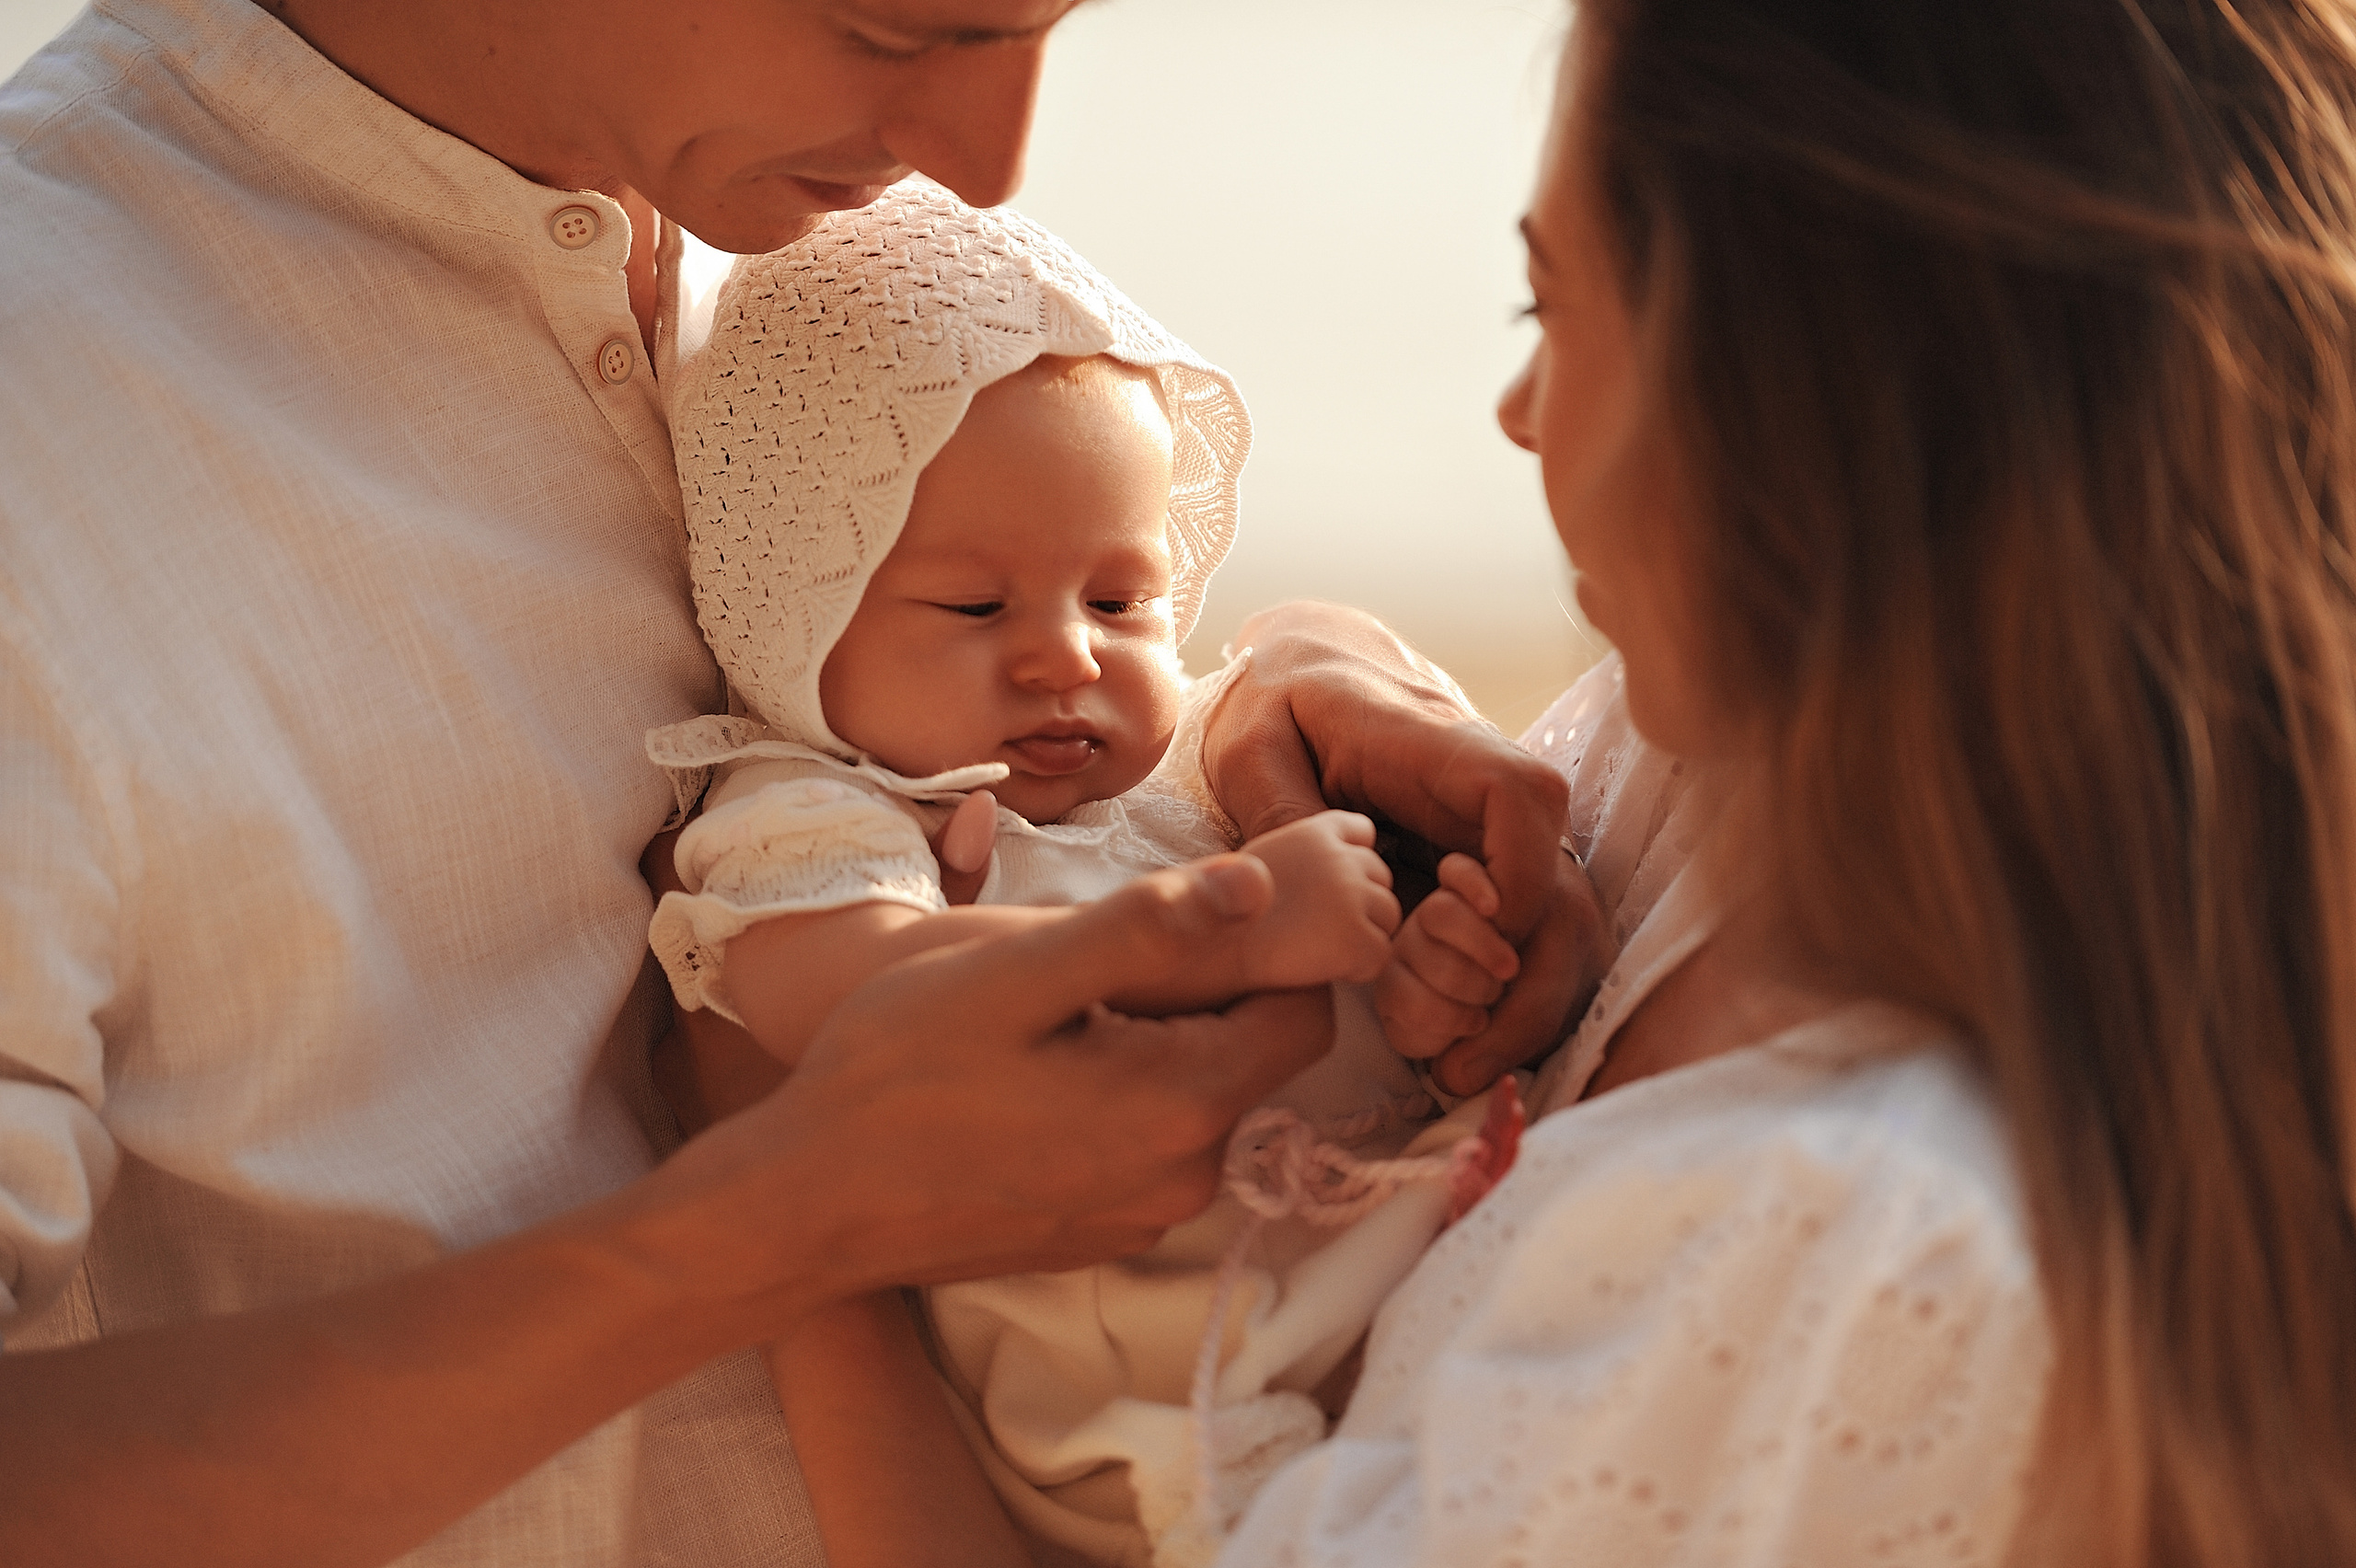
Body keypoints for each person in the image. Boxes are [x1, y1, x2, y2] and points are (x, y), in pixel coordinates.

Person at [0, 1, 1596, 1564]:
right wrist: (776, 1227)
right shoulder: (46, 421)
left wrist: (1278, 692)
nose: (987, 162)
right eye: (898, 29)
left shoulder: (795, 243)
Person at [765, 0, 2356, 1563]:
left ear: (1786, 396)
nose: (1516, 417)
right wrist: (1316, 678)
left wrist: (796, 1225)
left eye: (1550, 309)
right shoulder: (1712, 774)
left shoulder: (1846, 1254)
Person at [649, 182, 1542, 1568]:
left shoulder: (1187, 774)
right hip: (1163, 1416)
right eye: (975, 606)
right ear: (792, 611)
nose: (1066, 655)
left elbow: (1322, 937)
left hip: (1400, 1262)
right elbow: (864, 1011)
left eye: (1120, 601)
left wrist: (1412, 985)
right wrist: (1223, 939)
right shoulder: (812, 810)